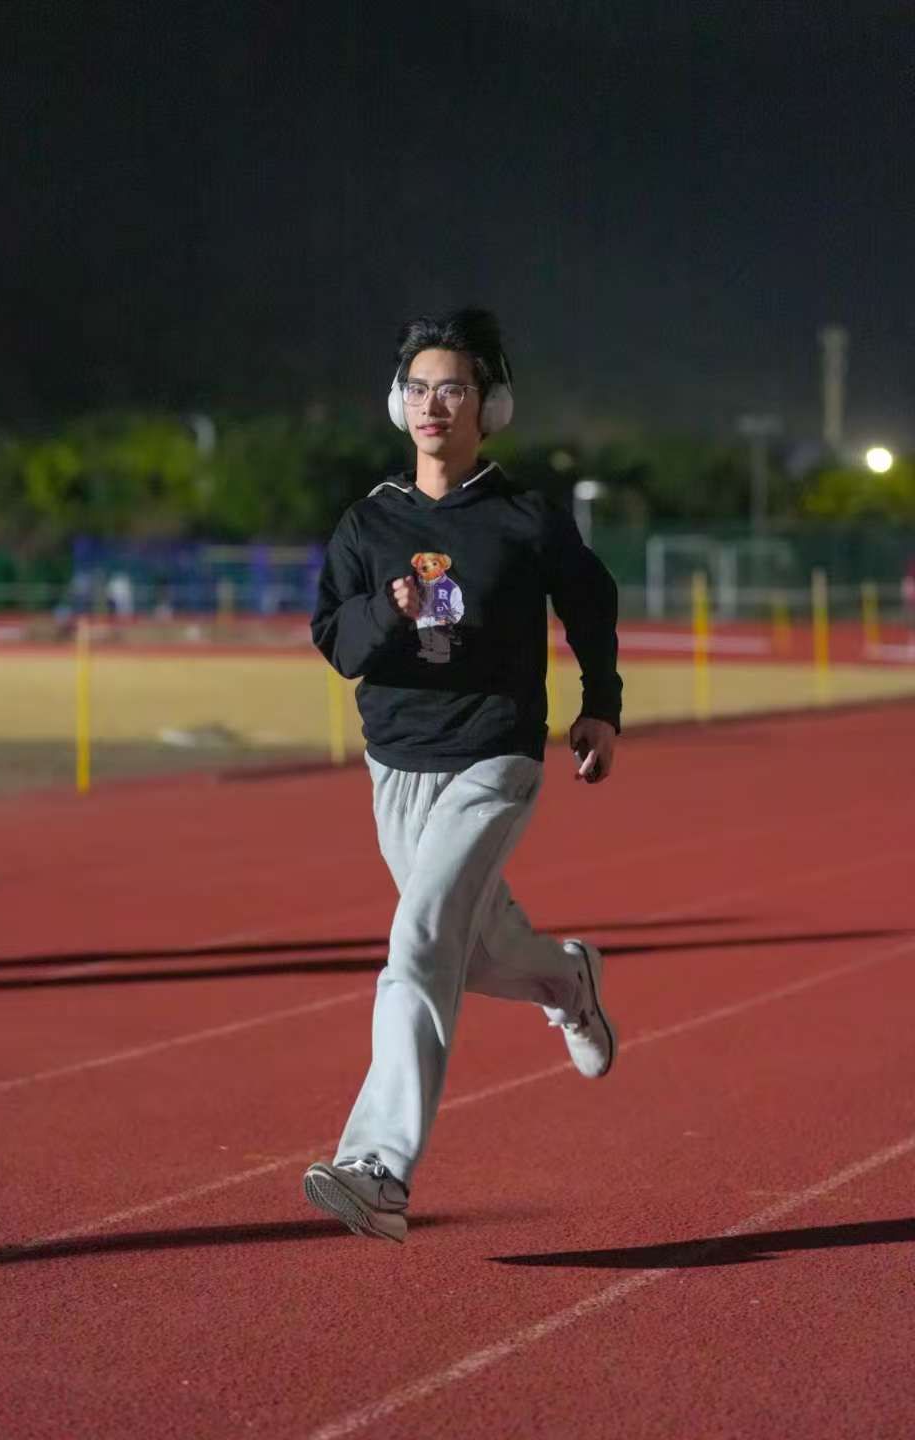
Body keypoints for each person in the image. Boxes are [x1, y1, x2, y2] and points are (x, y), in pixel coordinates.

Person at [303, 308, 622, 1241]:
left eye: (453, 388)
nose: (433, 404)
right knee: (472, 950)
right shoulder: (368, 521)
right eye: (418, 389)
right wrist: (388, 613)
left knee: (419, 941)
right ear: (397, 404)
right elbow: (337, 642)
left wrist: (600, 703)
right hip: (395, 764)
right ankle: (566, 979)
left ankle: (379, 1167)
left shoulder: (525, 517)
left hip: (494, 755)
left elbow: (591, 602)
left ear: (491, 405)